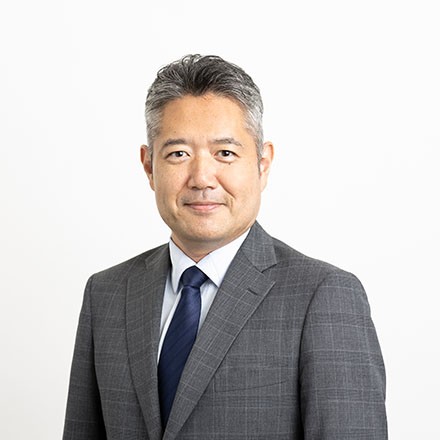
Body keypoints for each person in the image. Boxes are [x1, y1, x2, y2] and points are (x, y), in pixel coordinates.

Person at [63, 54, 387, 439]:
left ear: (262, 164)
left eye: (225, 153)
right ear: (149, 166)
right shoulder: (106, 294)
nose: (202, 178)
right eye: (178, 154)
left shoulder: (323, 295)